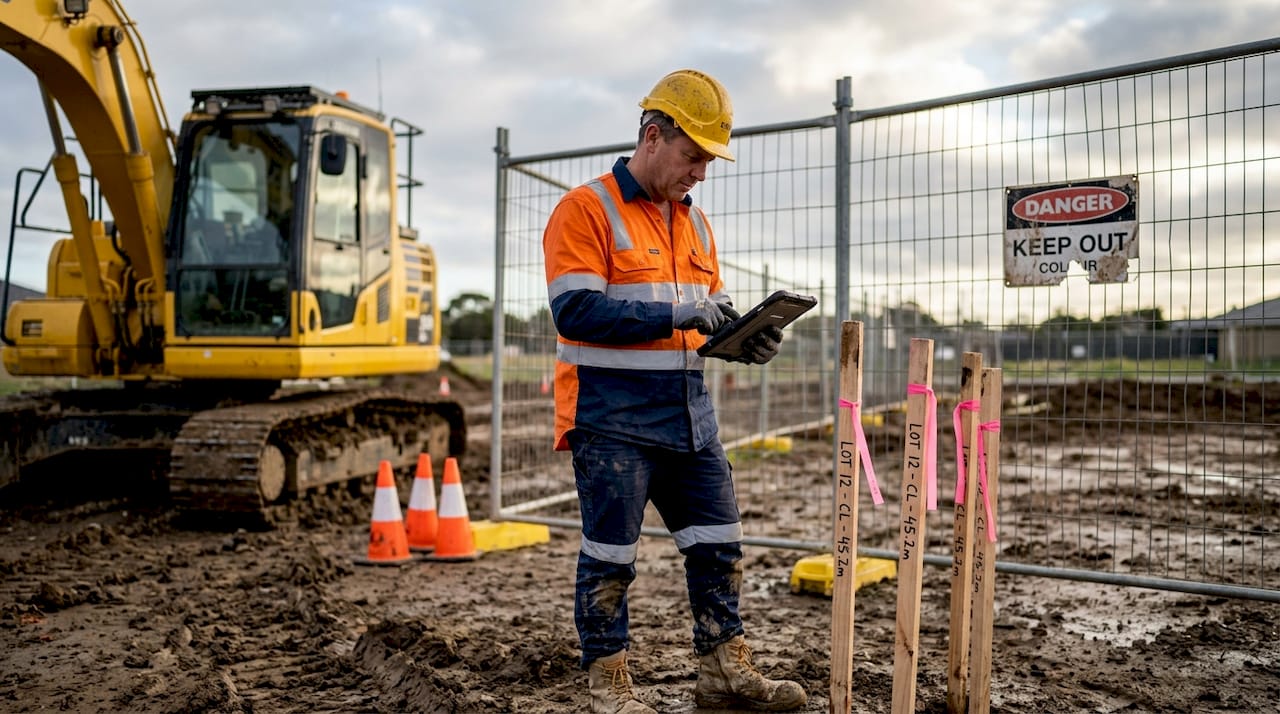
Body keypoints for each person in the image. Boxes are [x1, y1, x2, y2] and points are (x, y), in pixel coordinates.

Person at [542, 69, 805, 713]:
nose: (701, 173)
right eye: (694, 157)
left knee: (718, 543)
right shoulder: (586, 209)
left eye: (709, 160)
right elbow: (574, 311)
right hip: (610, 420)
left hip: (689, 417)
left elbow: (702, 318)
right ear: (653, 138)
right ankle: (609, 685)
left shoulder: (697, 226)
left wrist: (745, 340)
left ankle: (723, 670)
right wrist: (680, 317)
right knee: (611, 556)